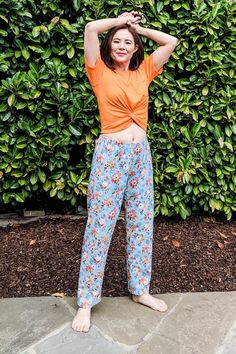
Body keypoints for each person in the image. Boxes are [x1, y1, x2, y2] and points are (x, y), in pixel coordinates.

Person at [72, 11, 178, 332]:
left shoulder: (144, 71)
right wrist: (118, 21)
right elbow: (91, 28)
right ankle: (87, 302)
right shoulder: (98, 71)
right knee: (100, 225)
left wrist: (137, 28)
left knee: (141, 220)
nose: (121, 45)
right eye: (116, 41)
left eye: (127, 42)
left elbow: (171, 41)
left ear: (135, 49)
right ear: (109, 47)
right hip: (111, 155)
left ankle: (140, 289)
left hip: (139, 154)